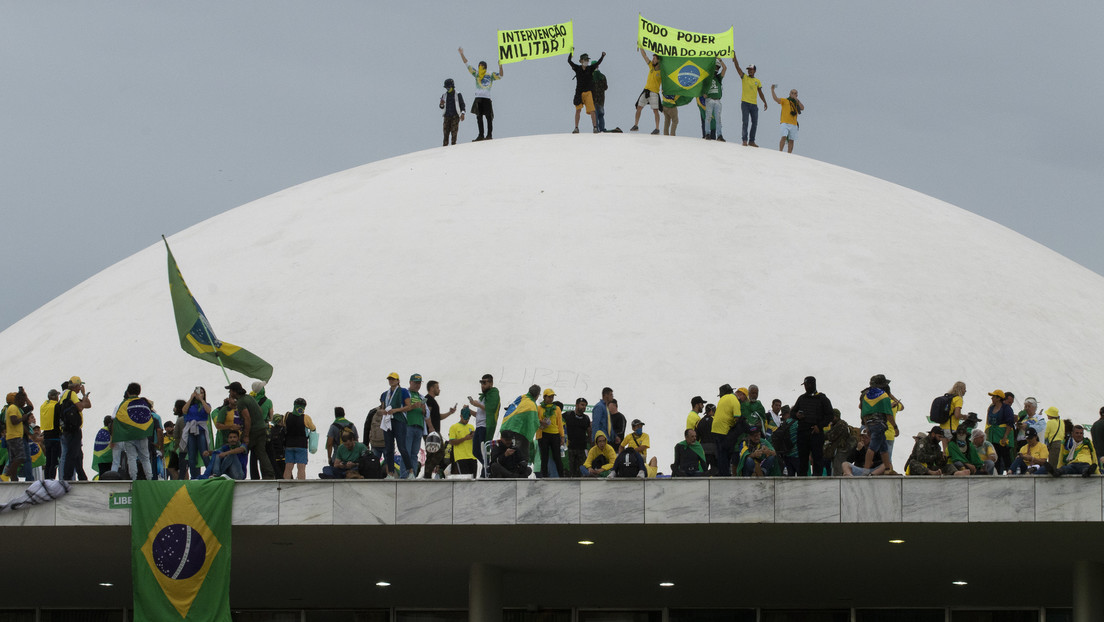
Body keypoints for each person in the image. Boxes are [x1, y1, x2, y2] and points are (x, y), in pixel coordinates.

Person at [227, 381, 275, 479]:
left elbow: (247, 418)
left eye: (230, 391)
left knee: (242, 449)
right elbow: (260, 411)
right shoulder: (249, 397)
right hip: (262, 428)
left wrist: (246, 435)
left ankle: (237, 474)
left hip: (253, 430)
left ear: (234, 392)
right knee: (261, 452)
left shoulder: (241, 402)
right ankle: (269, 475)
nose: (229, 393)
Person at [110, 382, 155, 480]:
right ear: (139, 391)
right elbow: (149, 418)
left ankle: (133, 479)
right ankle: (149, 479)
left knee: (131, 458)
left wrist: (116, 436)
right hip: (142, 434)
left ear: (128, 392)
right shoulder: (143, 403)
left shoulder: (124, 403)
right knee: (145, 459)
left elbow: (118, 419)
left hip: (129, 436)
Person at [458, 47, 502, 141]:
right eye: (479, 66)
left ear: (485, 67)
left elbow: (501, 75)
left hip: (486, 98)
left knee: (488, 117)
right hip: (478, 98)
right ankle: (480, 135)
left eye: (481, 66)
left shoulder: (490, 74)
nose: (480, 68)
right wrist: (461, 54)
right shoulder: (477, 74)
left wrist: (500, 66)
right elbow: (467, 64)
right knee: (479, 117)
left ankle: (489, 135)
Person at [791, 376, 832, 477]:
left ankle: (817, 478)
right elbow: (792, 412)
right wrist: (797, 415)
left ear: (812, 384)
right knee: (802, 459)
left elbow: (830, 415)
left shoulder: (822, 399)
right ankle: (802, 479)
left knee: (817, 458)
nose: (806, 387)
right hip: (802, 432)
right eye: (805, 385)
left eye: (807, 385)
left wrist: (820, 426)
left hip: (816, 433)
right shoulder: (801, 398)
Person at [859, 375, 897, 475]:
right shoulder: (883, 395)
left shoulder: (865, 394)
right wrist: (895, 427)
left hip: (869, 423)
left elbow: (863, 411)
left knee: (883, 447)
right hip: (880, 424)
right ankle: (866, 471)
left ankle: (887, 468)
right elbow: (888, 413)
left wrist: (867, 426)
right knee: (873, 447)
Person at [58, 376, 91, 481]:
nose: (80, 388)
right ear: (76, 386)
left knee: (77, 454)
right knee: (72, 453)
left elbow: (88, 405)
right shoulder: (71, 394)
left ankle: (81, 476)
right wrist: (83, 398)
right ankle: (67, 477)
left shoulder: (65, 395)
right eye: (80, 386)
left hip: (66, 428)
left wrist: (83, 397)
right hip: (73, 429)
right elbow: (81, 407)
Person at [467, 374, 500, 476]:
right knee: (475, 451)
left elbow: (491, 409)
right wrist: (469, 410)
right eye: (481, 383)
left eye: (485, 383)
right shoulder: (482, 397)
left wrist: (478, 405)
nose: (482, 385)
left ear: (491, 383)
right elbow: (479, 415)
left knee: (483, 450)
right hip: (479, 426)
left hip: (486, 426)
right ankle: (488, 466)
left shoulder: (494, 394)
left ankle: (487, 469)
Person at [731, 54, 767, 146]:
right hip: (745, 103)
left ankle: (752, 141)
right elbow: (737, 68)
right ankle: (744, 140)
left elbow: (760, 92)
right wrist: (734, 58)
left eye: (751, 70)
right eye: (749, 69)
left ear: (754, 71)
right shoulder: (744, 77)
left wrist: (764, 101)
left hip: (754, 104)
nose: (750, 71)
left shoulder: (757, 81)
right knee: (745, 122)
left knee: (755, 123)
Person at [423, 380, 456, 479]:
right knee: (437, 452)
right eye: (437, 387)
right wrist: (430, 428)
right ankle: (427, 474)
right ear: (432, 388)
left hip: (434, 431)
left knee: (436, 453)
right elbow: (426, 414)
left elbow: (438, 417)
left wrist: (449, 413)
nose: (439, 389)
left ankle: (428, 474)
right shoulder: (428, 399)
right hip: (431, 432)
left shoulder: (432, 400)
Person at [567, 50, 606, 133]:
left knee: (592, 110)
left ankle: (595, 127)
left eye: (587, 60)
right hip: (579, 93)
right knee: (578, 110)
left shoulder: (590, 68)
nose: (586, 62)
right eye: (585, 60)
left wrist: (602, 56)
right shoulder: (577, 68)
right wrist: (571, 53)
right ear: (581, 61)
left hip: (588, 92)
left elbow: (598, 63)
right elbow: (569, 61)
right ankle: (576, 127)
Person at [403, 374, 432, 479]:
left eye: (419, 383)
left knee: (414, 454)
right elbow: (401, 409)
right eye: (415, 382)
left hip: (419, 427)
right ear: (410, 382)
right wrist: (412, 406)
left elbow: (427, 415)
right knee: (406, 452)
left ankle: (413, 475)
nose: (417, 385)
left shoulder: (422, 397)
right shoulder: (405, 393)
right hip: (408, 425)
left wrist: (424, 410)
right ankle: (404, 475)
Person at [180, 386, 212, 480]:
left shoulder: (206, 404)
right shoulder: (190, 406)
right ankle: (194, 476)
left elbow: (208, 411)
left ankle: (210, 473)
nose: (199, 394)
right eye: (198, 392)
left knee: (204, 452)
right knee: (191, 455)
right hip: (191, 430)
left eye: (202, 392)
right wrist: (191, 397)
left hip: (201, 429)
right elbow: (184, 410)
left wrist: (202, 400)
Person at [281, 397, 315, 480]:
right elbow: (313, 429)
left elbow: (284, 426)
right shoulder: (306, 417)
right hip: (301, 445)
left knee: (288, 467)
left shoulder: (287, 415)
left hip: (289, 445)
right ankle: (301, 486)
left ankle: (285, 486)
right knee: (301, 468)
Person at [249, 381, 276, 480]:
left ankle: (254, 476)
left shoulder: (250, 400)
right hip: (264, 429)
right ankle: (267, 474)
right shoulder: (268, 401)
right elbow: (271, 417)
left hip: (252, 429)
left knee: (253, 454)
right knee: (264, 453)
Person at [630, 49, 662, 134]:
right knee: (639, 107)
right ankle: (636, 125)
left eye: (655, 58)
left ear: (658, 60)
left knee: (655, 110)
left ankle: (657, 128)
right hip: (646, 90)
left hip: (654, 92)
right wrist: (641, 47)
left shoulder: (661, 71)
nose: (653, 60)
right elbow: (644, 56)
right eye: (653, 58)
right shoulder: (651, 66)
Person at [984, 389, 1016, 473]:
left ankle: (1010, 472)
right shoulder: (991, 408)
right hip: (994, 435)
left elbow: (1010, 423)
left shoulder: (1006, 408)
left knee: (1005, 454)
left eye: (993, 397)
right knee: (996, 454)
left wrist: (1005, 436)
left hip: (1003, 435)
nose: (992, 398)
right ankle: (997, 473)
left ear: (998, 398)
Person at [712, 384, 740, 476]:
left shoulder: (721, 400)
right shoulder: (733, 399)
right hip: (724, 429)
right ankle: (725, 474)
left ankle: (722, 473)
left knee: (720, 454)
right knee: (726, 453)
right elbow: (737, 417)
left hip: (715, 429)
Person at [536, 389, 564, 477]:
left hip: (555, 434)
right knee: (544, 457)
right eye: (549, 396)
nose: (551, 398)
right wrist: (541, 422)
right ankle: (544, 477)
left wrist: (562, 436)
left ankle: (562, 477)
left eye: (552, 397)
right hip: (543, 435)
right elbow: (536, 420)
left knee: (557, 457)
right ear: (544, 397)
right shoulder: (539, 408)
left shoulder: (557, 408)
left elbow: (560, 423)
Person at [3, 391, 29, 481]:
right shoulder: (13, 408)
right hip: (15, 437)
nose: (24, 403)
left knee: (13, 459)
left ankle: (14, 479)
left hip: (11, 437)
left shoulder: (14, 408)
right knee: (21, 457)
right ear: (18, 399)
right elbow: (14, 421)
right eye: (23, 401)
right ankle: (6, 474)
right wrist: (23, 418)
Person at [770, 84, 804, 153]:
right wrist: (772, 90)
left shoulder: (797, 102)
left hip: (793, 124)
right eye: (792, 93)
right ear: (789, 93)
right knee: (784, 136)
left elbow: (802, 108)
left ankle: (789, 155)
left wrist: (796, 99)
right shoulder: (785, 100)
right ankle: (780, 152)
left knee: (791, 140)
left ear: (797, 95)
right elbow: (776, 99)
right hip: (785, 122)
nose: (793, 94)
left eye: (795, 93)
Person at [563, 397, 590, 478]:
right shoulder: (567, 415)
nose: (584, 407)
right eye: (582, 405)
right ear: (576, 405)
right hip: (570, 449)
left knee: (580, 473)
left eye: (585, 405)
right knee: (569, 472)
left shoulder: (586, 418)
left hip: (582, 449)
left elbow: (589, 432)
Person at [448, 406, 478, 476]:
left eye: (468, 418)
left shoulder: (471, 426)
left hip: (472, 456)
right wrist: (464, 438)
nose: (466, 420)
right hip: (461, 457)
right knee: (465, 478)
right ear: (460, 416)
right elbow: (451, 442)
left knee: (474, 478)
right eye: (465, 418)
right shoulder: (454, 427)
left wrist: (474, 436)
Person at [39, 389, 61, 479]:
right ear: (55, 396)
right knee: (54, 462)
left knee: (48, 461)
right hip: (55, 436)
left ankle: (47, 479)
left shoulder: (44, 406)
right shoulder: (56, 406)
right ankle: (51, 479)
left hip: (46, 436)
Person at [702, 58, 726, 141]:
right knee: (708, 117)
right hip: (709, 99)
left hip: (718, 100)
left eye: (718, 67)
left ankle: (719, 135)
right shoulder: (707, 77)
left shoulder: (718, 78)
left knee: (718, 118)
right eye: (715, 67)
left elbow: (725, 68)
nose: (716, 69)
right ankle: (707, 134)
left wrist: (720, 60)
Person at [439, 78, 466, 146]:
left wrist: (463, 113)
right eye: (446, 88)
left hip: (455, 116)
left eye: (449, 87)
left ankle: (453, 147)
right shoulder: (444, 95)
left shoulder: (458, 94)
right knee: (445, 133)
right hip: (447, 116)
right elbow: (442, 106)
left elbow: (462, 104)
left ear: (452, 86)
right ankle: (444, 148)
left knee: (454, 133)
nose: (447, 89)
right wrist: (441, 104)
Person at [696, 402, 718, 475]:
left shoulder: (699, 422)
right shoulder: (715, 420)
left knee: (703, 470)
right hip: (713, 448)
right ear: (711, 411)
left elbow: (697, 436)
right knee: (715, 470)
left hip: (702, 449)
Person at [1044, 406, 1065, 470]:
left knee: (1052, 464)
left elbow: (1045, 435)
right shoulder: (1061, 422)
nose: (1047, 415)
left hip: (1054, 445)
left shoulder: (1049, 422)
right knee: (1060, 463)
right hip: (1062, 444)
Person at [592, 59, 609, 132]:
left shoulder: (590, 76)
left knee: (595, 114)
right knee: (601, 115)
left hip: (593, 99)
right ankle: (602, 128)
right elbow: (606, 87)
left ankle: (596, 129)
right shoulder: (602, 76)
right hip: (601, 99)